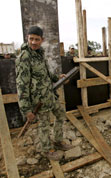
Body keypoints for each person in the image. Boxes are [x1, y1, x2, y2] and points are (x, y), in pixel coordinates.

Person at [16, 26, 72, 161]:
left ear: (42, 40)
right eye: (31, 39)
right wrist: (26, 109)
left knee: (60, 115)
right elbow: (21, 85)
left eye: (36, 39)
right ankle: (47, 150)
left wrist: (57, 77)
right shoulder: (24, 57)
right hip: (38, 100)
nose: (33, 42)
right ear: (27, 38)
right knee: (44, 125)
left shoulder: (40, 53)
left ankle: (58, 141)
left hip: (49, 95)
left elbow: (45, 72)